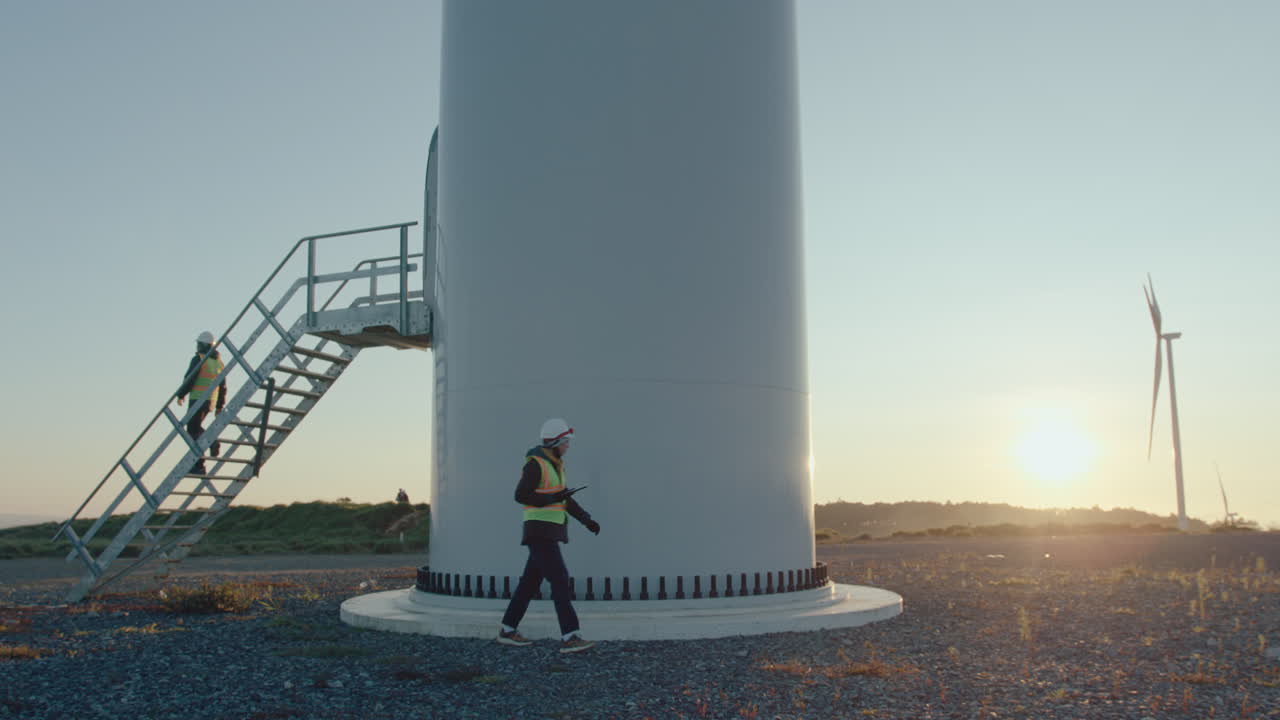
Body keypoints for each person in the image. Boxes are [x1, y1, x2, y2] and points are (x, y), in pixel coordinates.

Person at [497, 418, 600, 653]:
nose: (568, 447)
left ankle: (508, 629)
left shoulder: (555, 465)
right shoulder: (536, 464)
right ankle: (570, 636)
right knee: (560, 579)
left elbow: (563, 497)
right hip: (539, 530)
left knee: (529, 583)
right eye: (565, 442)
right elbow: (521, 495)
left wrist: (586, 520)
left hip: (548, 531)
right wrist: (550, 499)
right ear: (555, 442)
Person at [175, 330, 227, 475]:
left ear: (204, 345)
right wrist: (219, 406)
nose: (197, 347)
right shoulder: (219, 363)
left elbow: (189, 378)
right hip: (210, 401)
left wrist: (180, 394)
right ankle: (199, 464)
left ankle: (201, 462)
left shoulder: (199, 359)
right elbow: (223, 386)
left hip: (197, 398)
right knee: (195, 429)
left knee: (192, 430)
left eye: (199, 344)